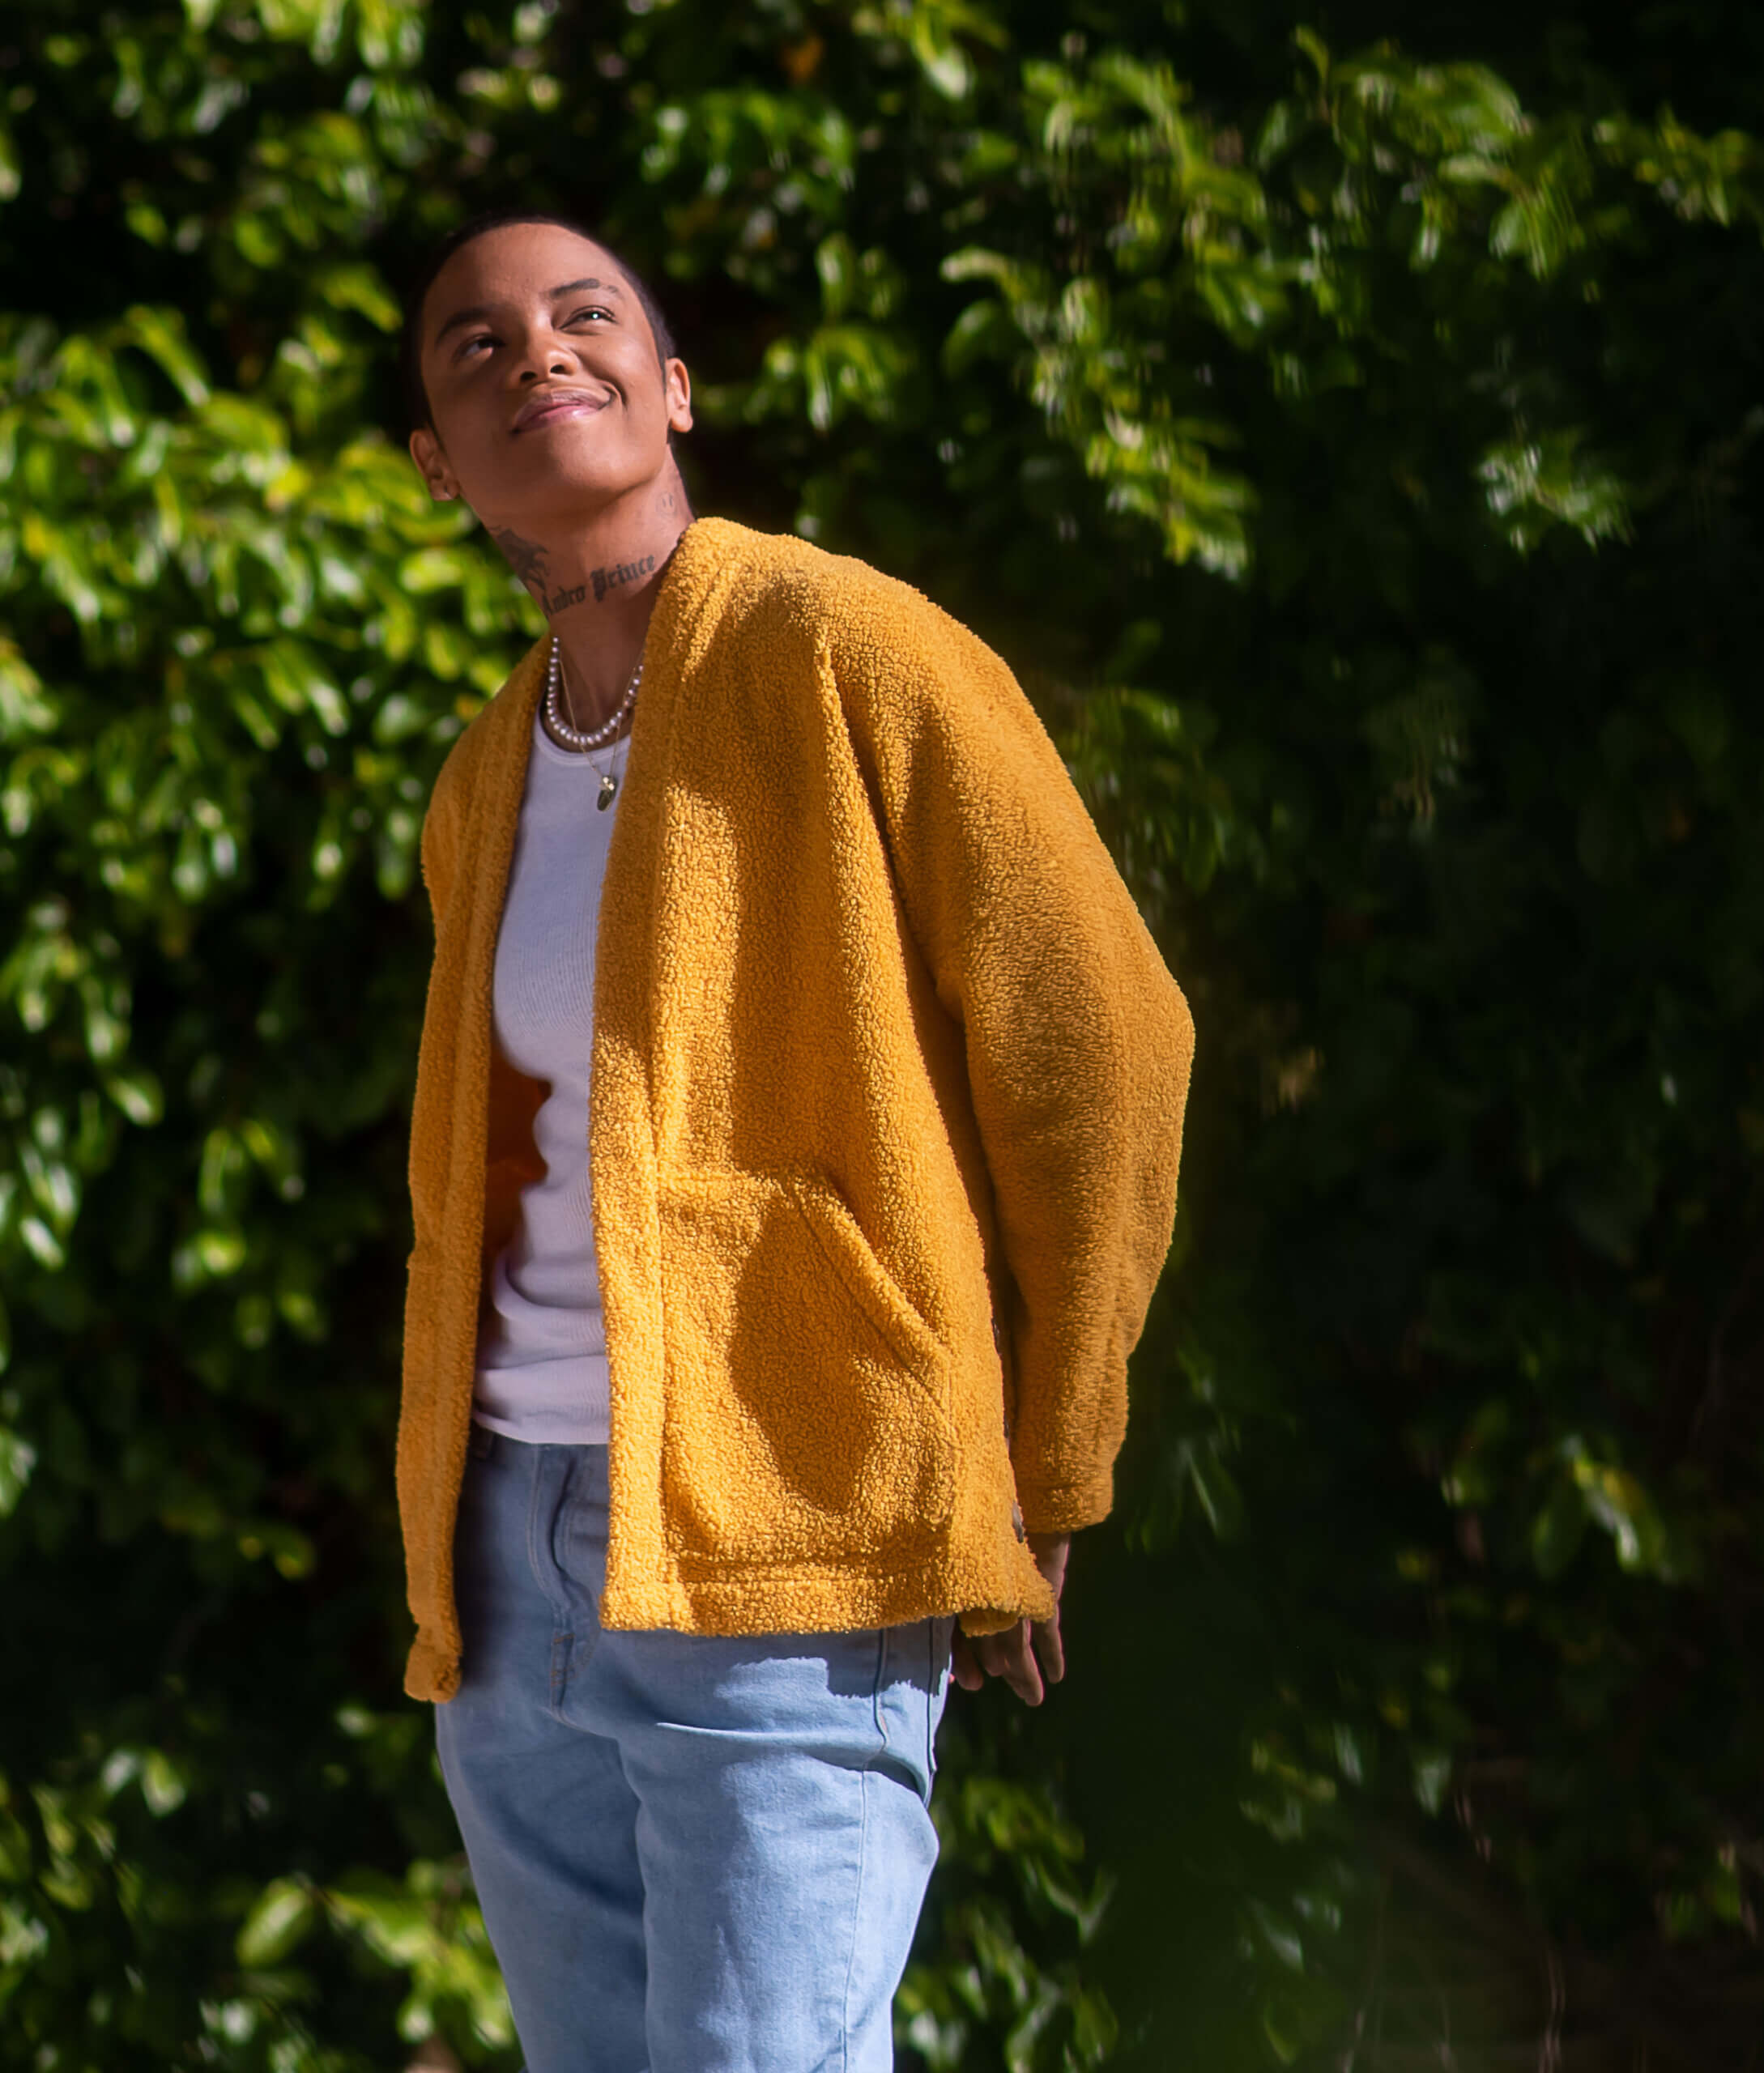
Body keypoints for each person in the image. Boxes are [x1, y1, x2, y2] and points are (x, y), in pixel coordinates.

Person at [395, 211, 1193, 2073]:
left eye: (588, 318)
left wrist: (1050, 1461)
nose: (539, 356)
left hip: (792, 1550)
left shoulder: (848, 646)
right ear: (438, 461)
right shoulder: (482, 776)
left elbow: (1104, 1041)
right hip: (508, 1573)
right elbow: (466, 1198)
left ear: (674, 387)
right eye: (477, 346)